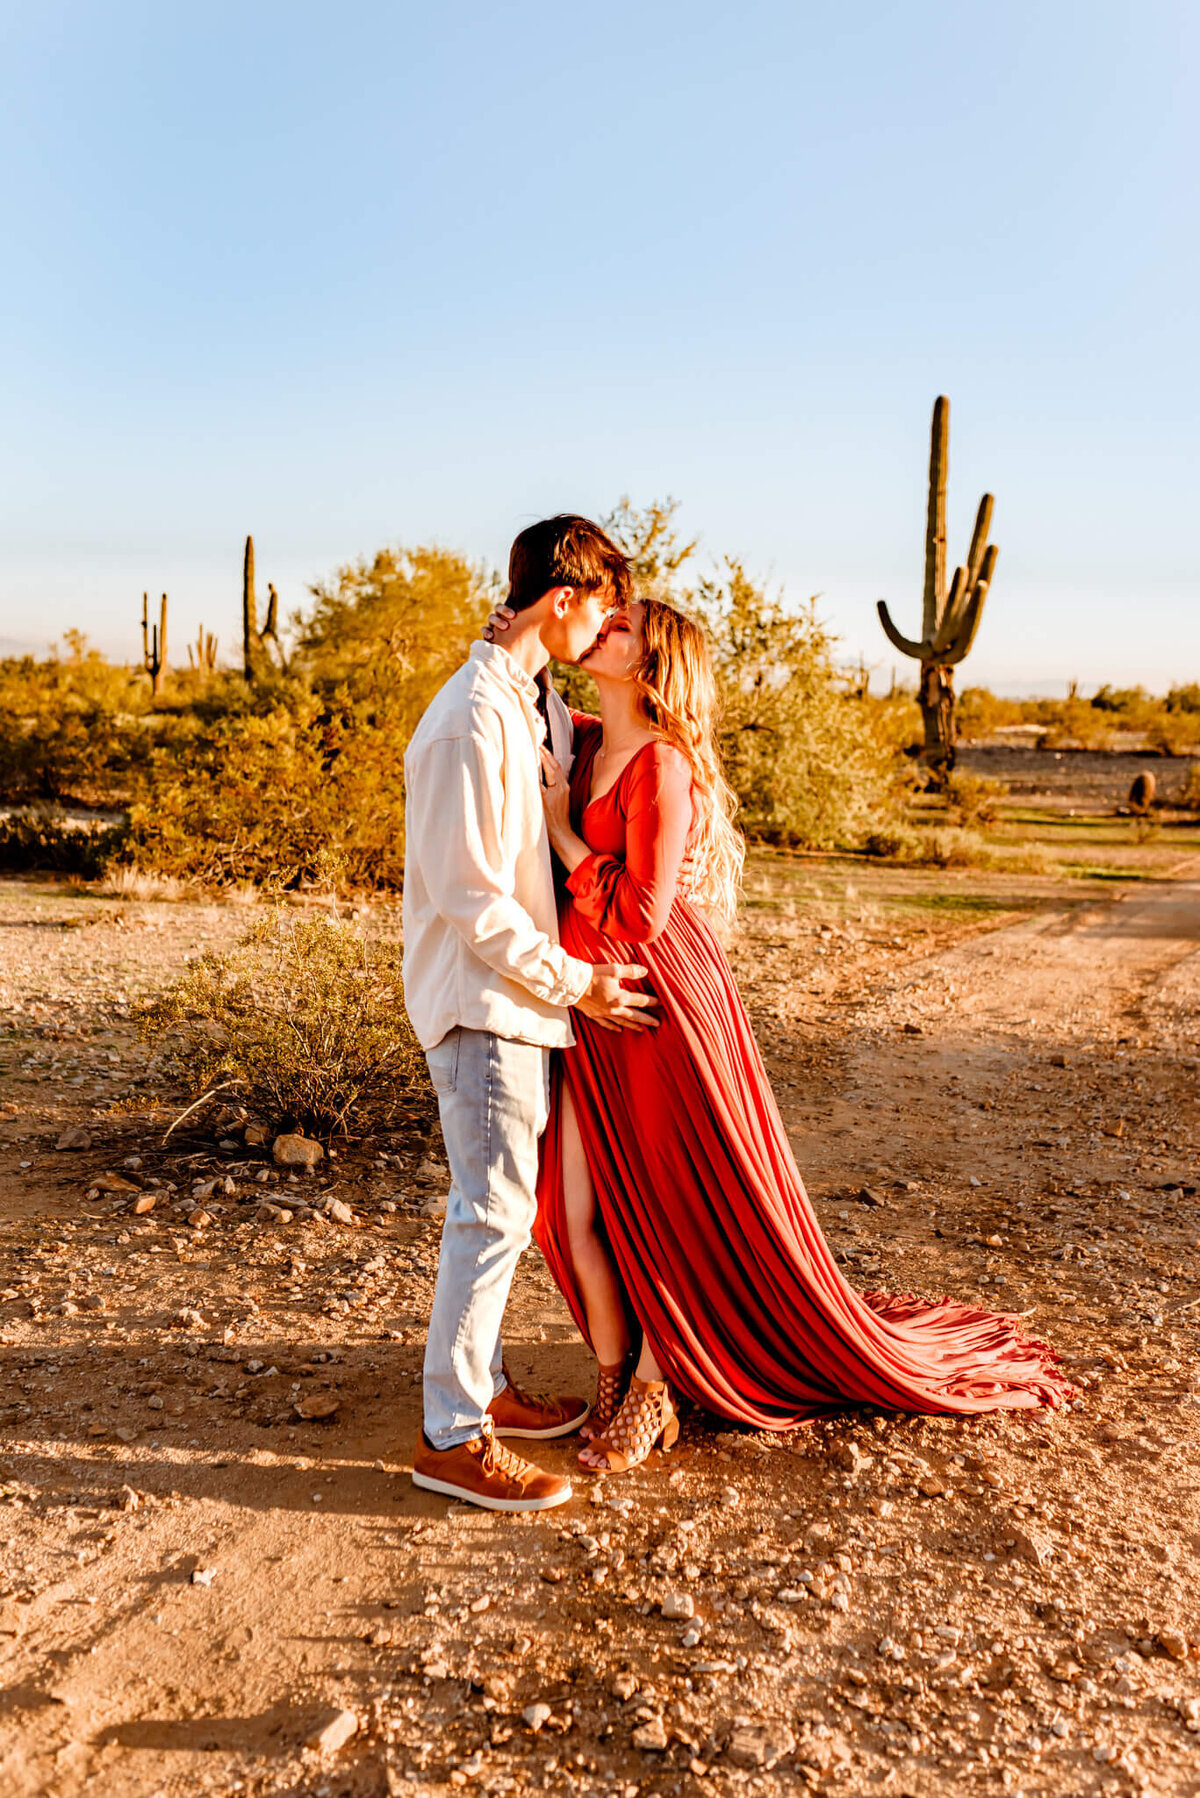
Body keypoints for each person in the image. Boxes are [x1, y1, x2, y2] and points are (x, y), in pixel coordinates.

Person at [488, 594, 1075, 1474]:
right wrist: (514, 639)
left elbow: (644, 914)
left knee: (677, 1207)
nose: (603, 630)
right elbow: (528, 696)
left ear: (652, 666)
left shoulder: (662, 766)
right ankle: (615, 1372)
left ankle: (653, 1391)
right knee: (568, 1210)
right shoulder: (577, 739)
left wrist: (567, 837)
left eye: (622, 630)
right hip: (589, 999)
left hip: (657, 999)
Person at [402, 516, 658, 1513]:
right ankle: (452, 1435)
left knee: (499, 1208)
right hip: (487, 1004)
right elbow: (472, 901)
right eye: (597, 611)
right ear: (563, 602)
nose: (601, 632)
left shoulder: (526, 698)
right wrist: (579, 981)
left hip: (519, 1003)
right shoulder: (471, 717)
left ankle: (488, 1390)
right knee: (493, 1211)